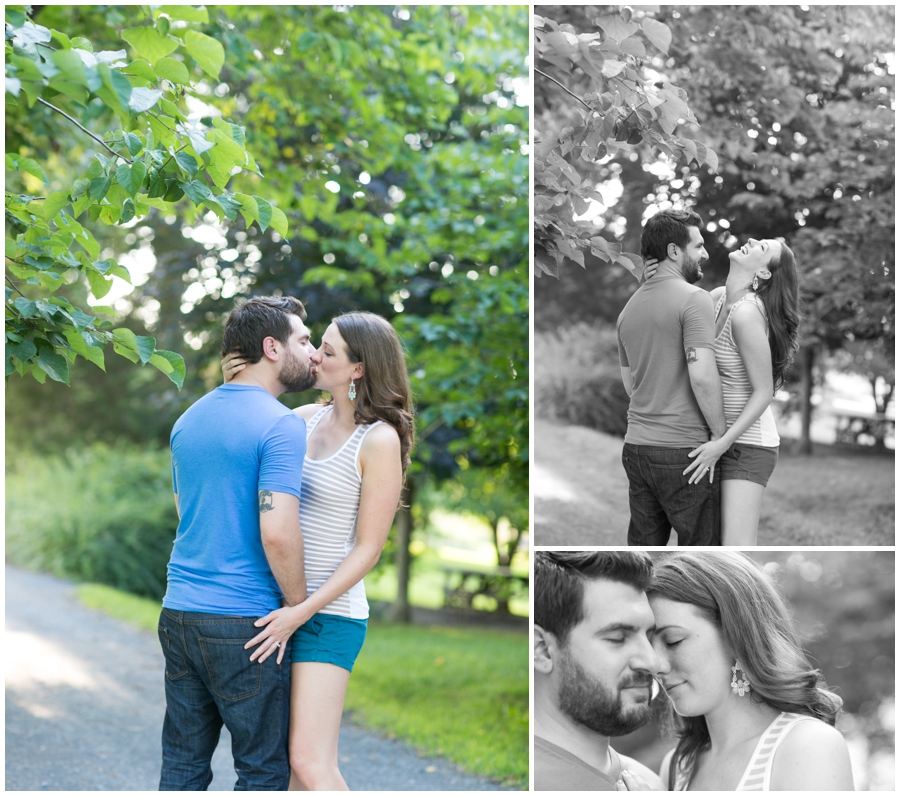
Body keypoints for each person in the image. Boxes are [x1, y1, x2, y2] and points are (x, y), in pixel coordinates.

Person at [222, 310, 414, 790]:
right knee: (284, 767)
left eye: (327, 351)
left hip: (329, 616)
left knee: (310, 763)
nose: (312, 356)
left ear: (358, 369)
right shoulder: (301, 420)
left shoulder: (379, 440)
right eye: (316, 345)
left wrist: (302, 610)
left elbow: (369, 550)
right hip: (282, 607)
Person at [160, 296, 317, 790]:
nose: (313, 353)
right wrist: (299, 606)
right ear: (272, 348)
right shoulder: (281, 425)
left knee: (184, 764)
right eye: (305, 341)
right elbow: (277, 530)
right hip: (245, 624)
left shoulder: (189, 419)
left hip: (179, 613)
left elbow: (186, 511)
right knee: (261, 770)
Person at [644, 552, 854, 791]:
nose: (656, 664)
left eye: (673, 641)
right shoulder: (677, 766)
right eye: (649, 646)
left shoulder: (807, 745)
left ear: (736, 637)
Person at [643, 237, 801, 544]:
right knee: (705, 541)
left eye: (763, 248)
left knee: (735, 546)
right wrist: (653, 282)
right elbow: (671, 327)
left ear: (765, 274)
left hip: (746, 446)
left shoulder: (746, 314)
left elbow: (763, 391)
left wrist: (722, 443)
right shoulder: (715, 298)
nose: (753, 240)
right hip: (715, 438)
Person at [617, 209, 727, 545]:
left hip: (636, 448)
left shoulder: (628, 310)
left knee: (645, 552)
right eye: (698, 246)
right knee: (702, 556)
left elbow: (631, 385)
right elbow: (703, 377)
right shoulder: (695, 300)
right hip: (685, 452)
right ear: (674, 252)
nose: (705, 253)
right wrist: (721, 437)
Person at [533, 550, 663, 791]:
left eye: (649, 636)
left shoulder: (649, 782)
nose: (652, 661)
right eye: (617, 638)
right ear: (542, 649)